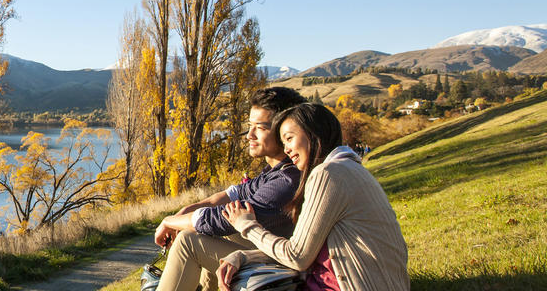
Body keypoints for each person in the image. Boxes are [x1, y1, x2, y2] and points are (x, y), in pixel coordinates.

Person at [218, 103, 409, 291]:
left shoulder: (328, 173)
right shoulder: (351, 168)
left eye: (290, 138)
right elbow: (305, 250)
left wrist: (247, 226)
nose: (286, 149)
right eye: (284, 143)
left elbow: (296, 257)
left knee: (244, 283)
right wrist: (242, 256)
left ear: (313, 134)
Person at [154, 87, 307, 291]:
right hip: (272, 259)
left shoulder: (286, 181)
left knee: (188, 242)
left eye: (260, 128)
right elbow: (229, 195)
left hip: (284, 270)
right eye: (249, 126)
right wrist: (185, 212)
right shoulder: (275, 171)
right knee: (202, 231)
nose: (249, 135)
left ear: (284, 130)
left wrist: (168, 221)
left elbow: (218, 220)